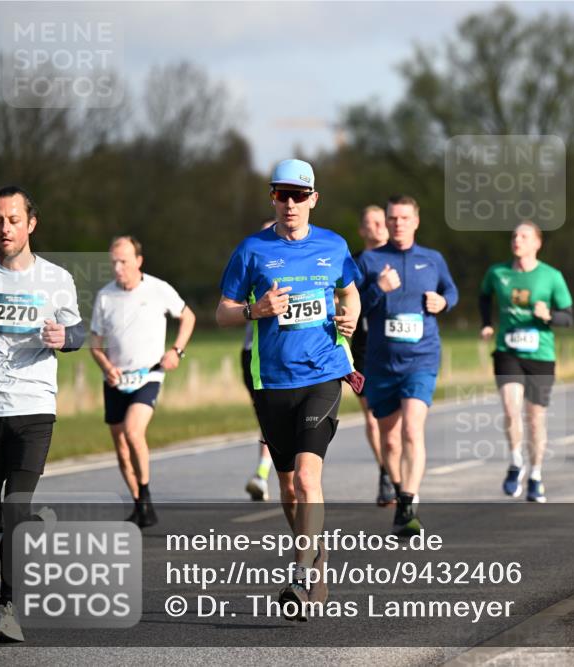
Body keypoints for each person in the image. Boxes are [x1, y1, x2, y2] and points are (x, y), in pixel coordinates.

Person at [216, 159, 360, 619]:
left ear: (314, 199)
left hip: (322, 373)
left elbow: (350, 290)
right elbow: (222, 312)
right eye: (283, 195)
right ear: (272, 198)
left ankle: (300, 571)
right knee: (286, 487)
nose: (291, 203)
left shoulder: (333, 246)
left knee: (306, 477)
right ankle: (315, 554)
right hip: (271, 381)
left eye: (300, 195)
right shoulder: (252, 250)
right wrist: (255, 311)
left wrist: (350, 318)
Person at [0, 186, 85, 643]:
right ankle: (29, 525)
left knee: (14, 504)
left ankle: (7, 608)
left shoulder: (56, 279)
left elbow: (78, 330)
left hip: (35, 408)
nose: (5, 228)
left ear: (30, 223)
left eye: (14, 220)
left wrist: (65, 337)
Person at [356, 195, 458, 536]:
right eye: (392, 218)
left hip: (422, 358)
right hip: (381, 363)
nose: (397, 224)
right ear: (386, 222)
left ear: (416, 221)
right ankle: (400, 492)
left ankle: (409, 501)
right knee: (389, 443)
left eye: (404, 218)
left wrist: (443, 302)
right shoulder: (370, 261)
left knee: (413, 430)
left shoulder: (432, 260)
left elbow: (452, 291)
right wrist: (377, 290)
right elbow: (353, 309)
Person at [90, 237, 196, 526]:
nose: (117, 268)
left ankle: (146, 496)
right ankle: (139, 504)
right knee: (121, 447)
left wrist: (177, 351)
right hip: (114, 380)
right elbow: (95, 344)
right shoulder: (105, 296)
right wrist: (106, 366)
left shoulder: (158, 289)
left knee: (133, 432)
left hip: (148, 374)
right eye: (113, 262)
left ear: (138, 260)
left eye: (123, 261)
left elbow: (188, 317)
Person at [480, 221, 573, 502]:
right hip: (508, 351)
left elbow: (568, 317)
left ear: (537, 243)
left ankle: (536, 475)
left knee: (535, 419)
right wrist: (487, 323)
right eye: (514, 236)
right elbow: (484, 296)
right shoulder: (498, 272)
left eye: (524, 236)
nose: (517, 240)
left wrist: (549, 316)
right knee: (510, 410)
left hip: (541, 356)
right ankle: (515, 462)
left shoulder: (552, 276)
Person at [351, 205, 393, 506]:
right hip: (364, 349)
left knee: (396, 421)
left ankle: (396, 470)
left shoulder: (403, 258)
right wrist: (378, 288)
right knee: (372, 416)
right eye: (370, 223)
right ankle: (385, 471)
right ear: (362, 230)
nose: (377, 227)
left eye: (381, 222)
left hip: (399, 349)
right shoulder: (353, 265)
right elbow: (352, 309)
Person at [243, 220, 276, 502]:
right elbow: (227, 306)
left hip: (298, 357)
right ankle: (264, 473)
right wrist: (254, 309)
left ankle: (265, 471)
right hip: (254, 354)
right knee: (266, 415)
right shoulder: (251, 259)